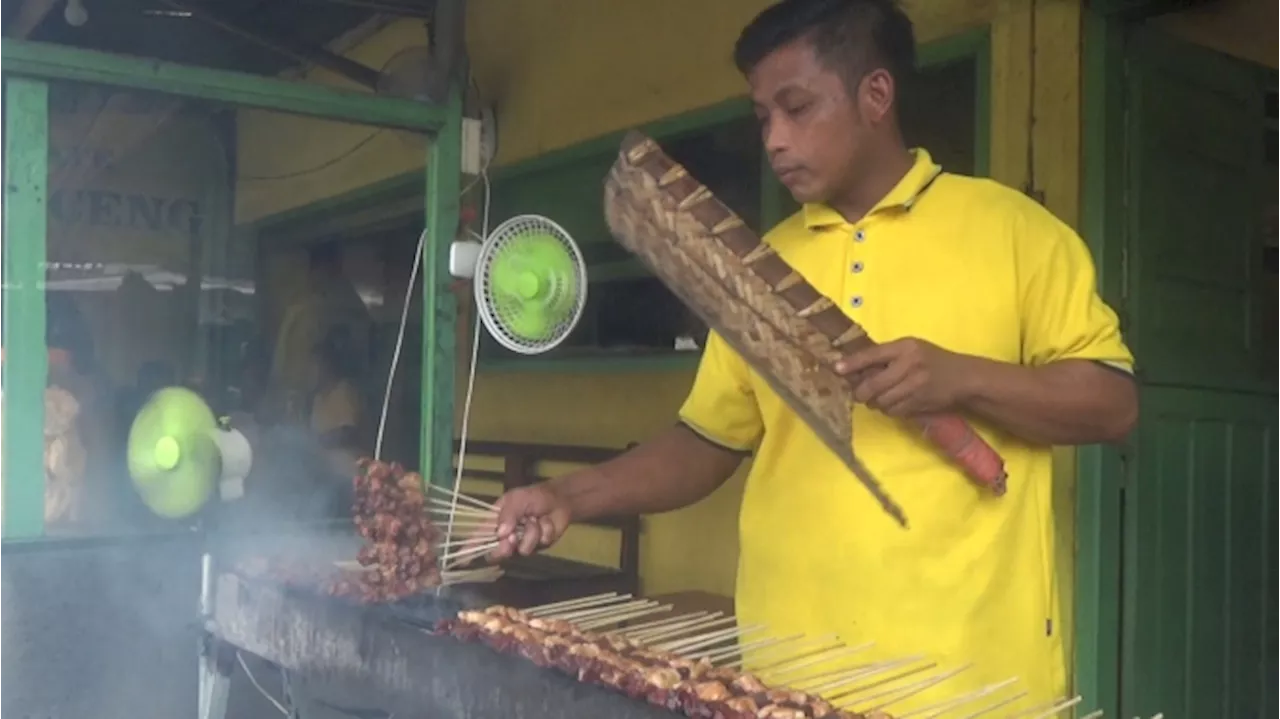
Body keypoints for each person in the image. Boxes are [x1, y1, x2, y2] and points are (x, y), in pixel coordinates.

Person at [489, 0, 1138, 710]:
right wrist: (566, 497)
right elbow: (707, 441)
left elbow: (1111, 404)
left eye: (797, 108)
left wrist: (959, 377)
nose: (775, 138)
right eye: (764, 116)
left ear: (876, 96)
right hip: (787, 676)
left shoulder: (1017, 233)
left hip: (972, 682)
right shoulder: (759, 268)